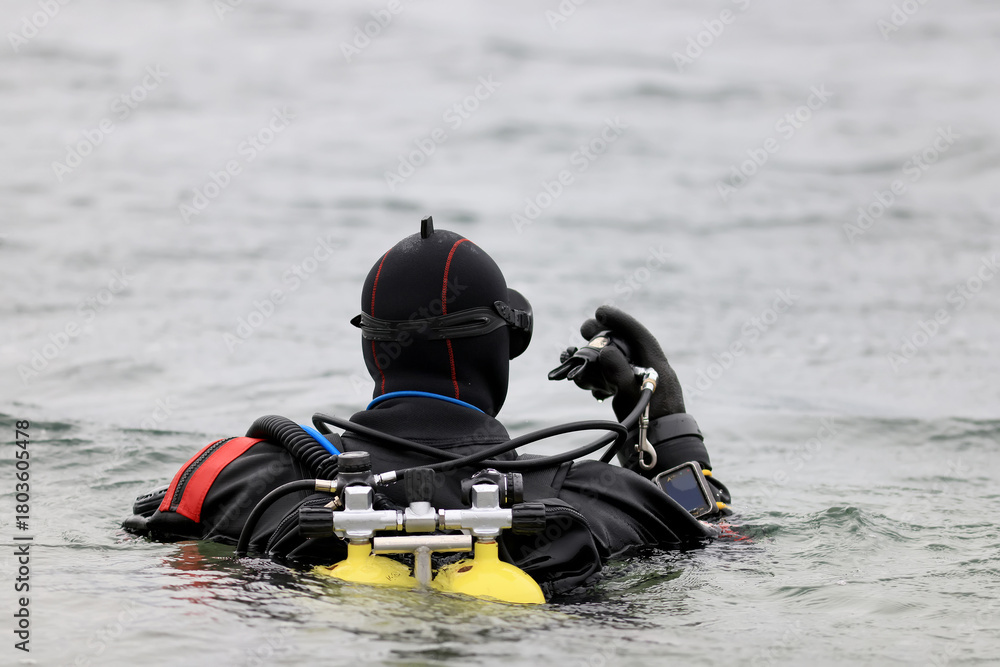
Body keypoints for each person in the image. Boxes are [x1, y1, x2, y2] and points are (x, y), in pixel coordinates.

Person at [124, 218, 732, 598]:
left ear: (372, 347)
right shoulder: (607, 498)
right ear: (506, 346)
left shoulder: (232, 474)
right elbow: (725, 547)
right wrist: (665, 423)